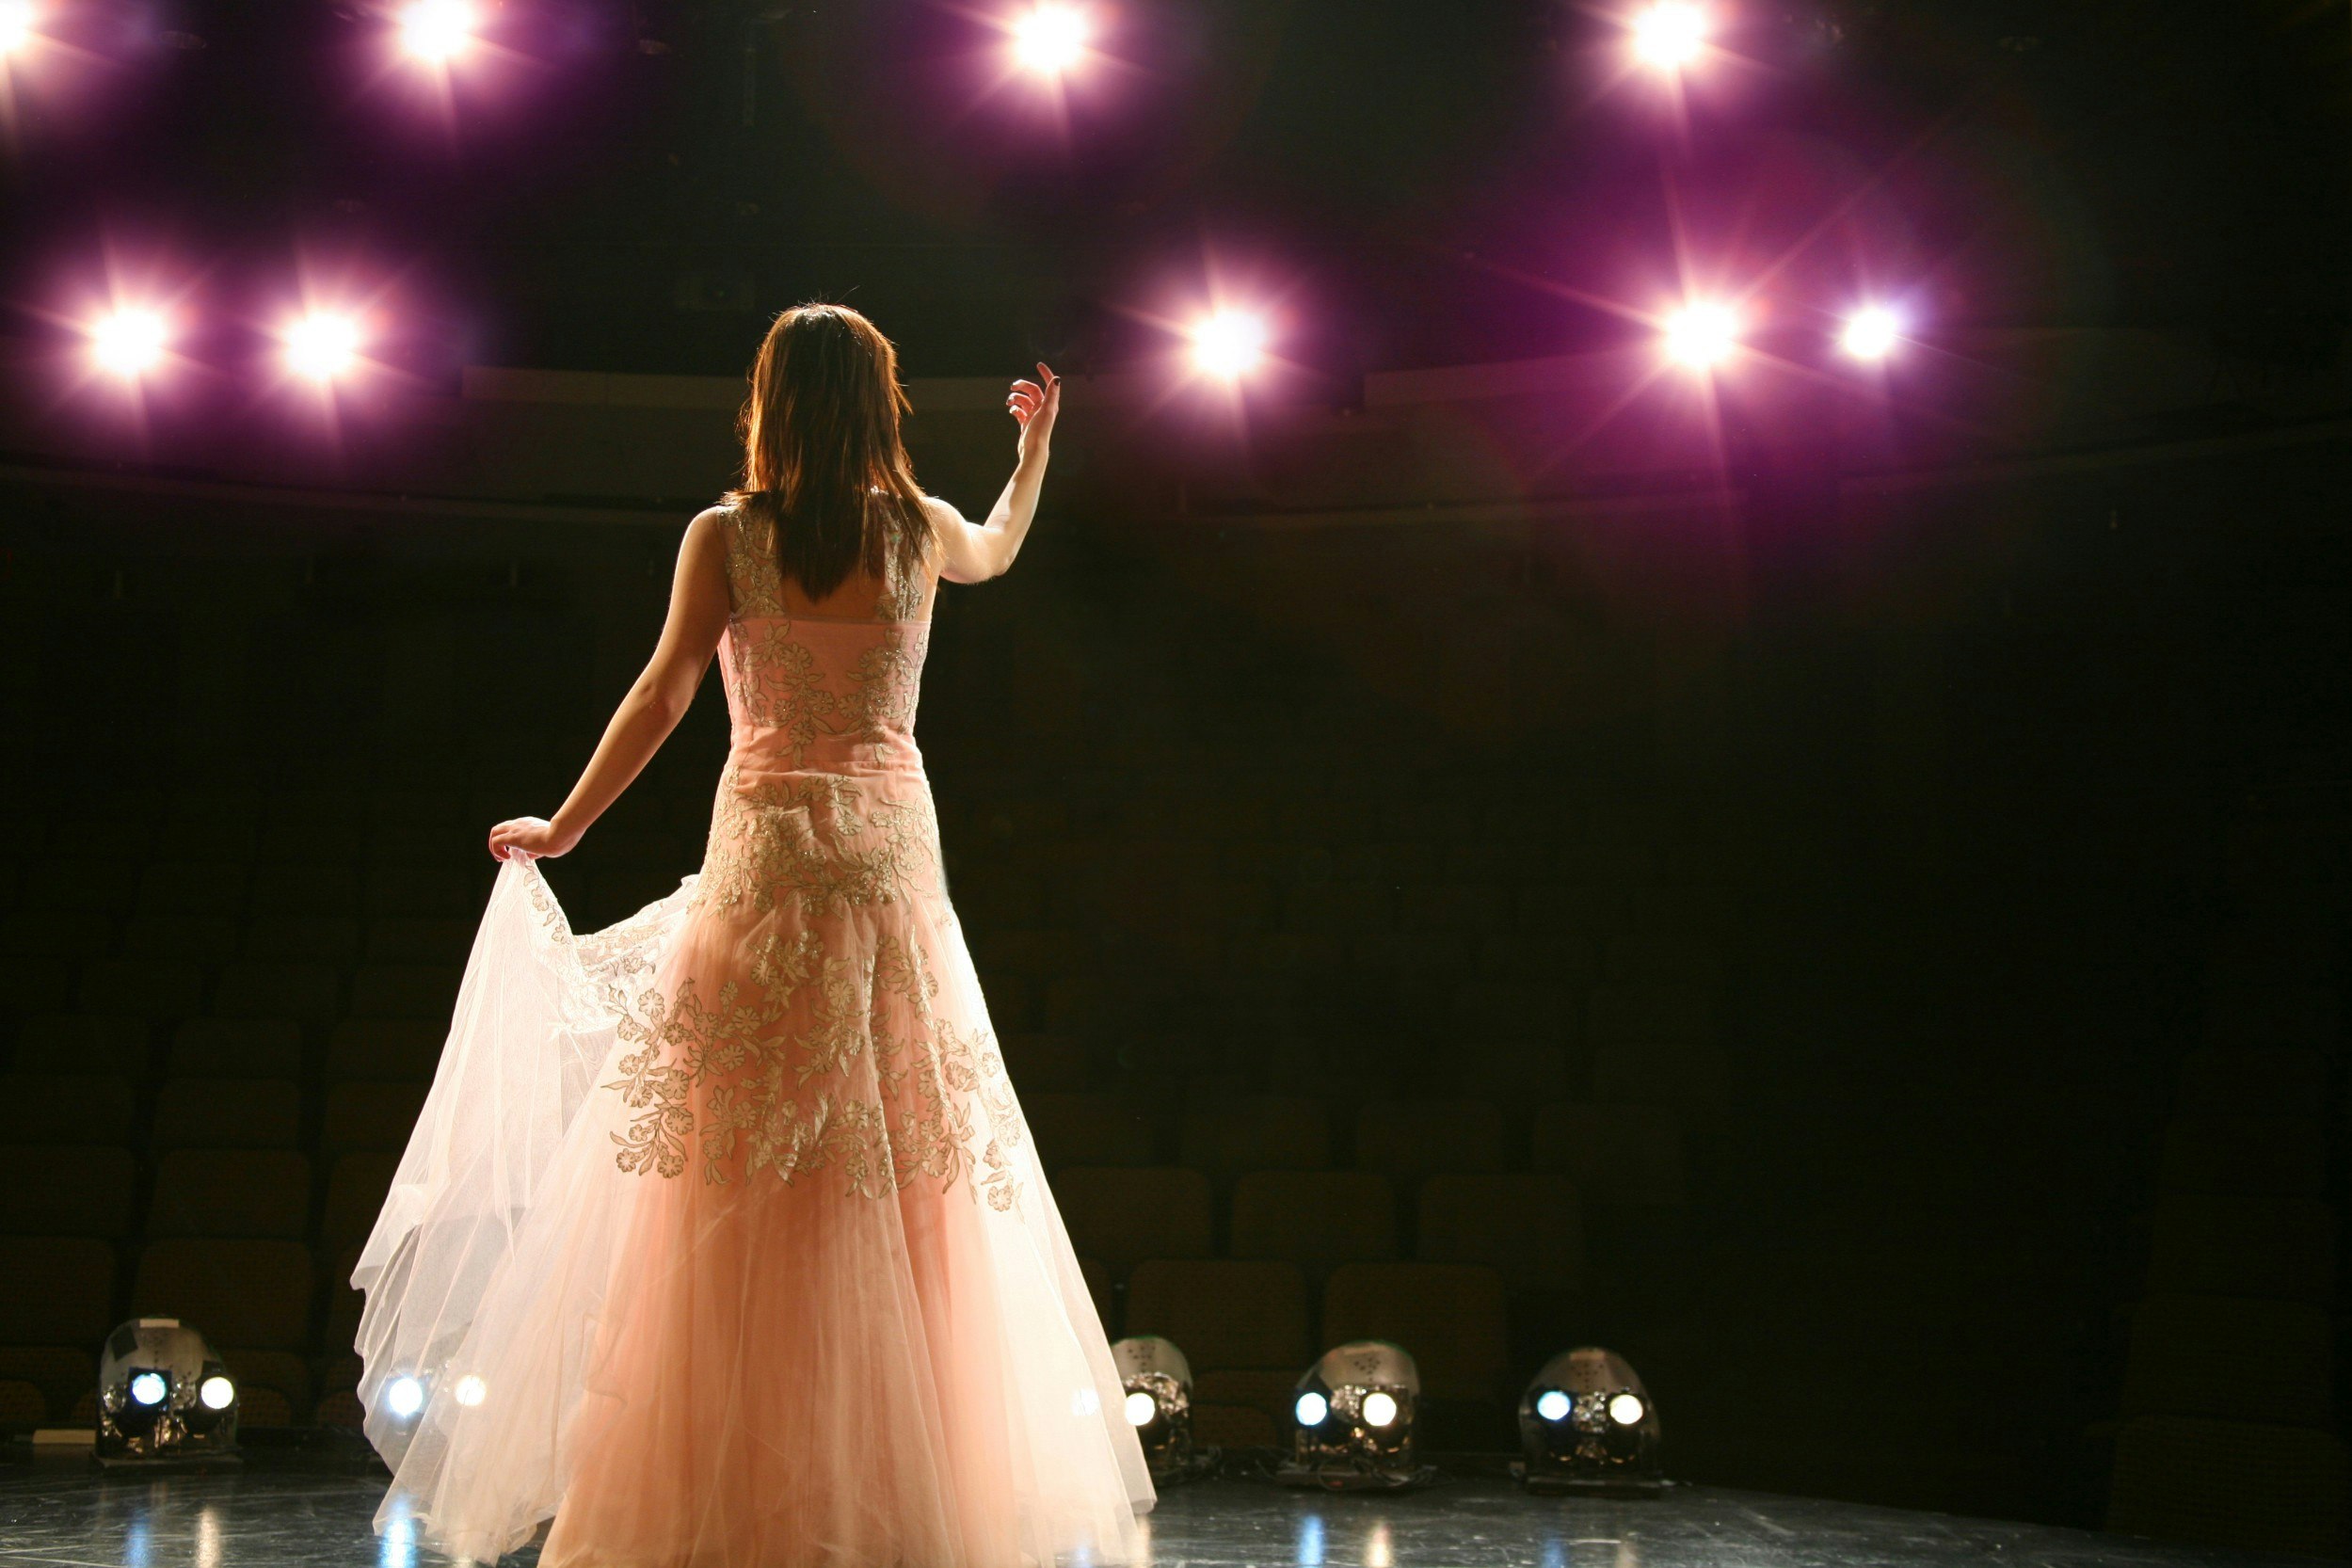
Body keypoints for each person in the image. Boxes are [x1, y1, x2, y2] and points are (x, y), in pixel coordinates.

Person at [348, 303, 1156, 1568]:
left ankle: (733, 1498)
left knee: (739, 1172)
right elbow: (998, 549)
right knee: (890, 1166)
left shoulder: (730, 536)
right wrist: (1036, 449)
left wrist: (564, 827)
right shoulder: (915, 530)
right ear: (878, 402)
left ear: (771, 403)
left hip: (773, 851)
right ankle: (888, 1494)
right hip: (885, 860)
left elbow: (665, 688)